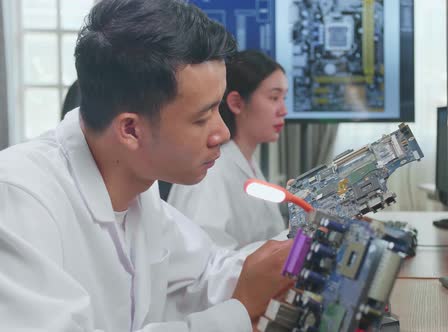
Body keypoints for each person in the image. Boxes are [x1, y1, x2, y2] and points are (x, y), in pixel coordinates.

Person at [0, 0, 292, 331]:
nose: (223, 132)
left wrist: (299, 250)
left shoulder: (138, 186)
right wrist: (235, 316)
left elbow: (206, 274)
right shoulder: (18, 199)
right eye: (202, 117)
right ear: (130, 130)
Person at [168, 50, 289, 249]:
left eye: (284, 98)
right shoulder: (210, 172)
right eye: (274, 98)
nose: (284, 110)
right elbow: (206, 264)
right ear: (236, 103)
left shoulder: (246, 163)